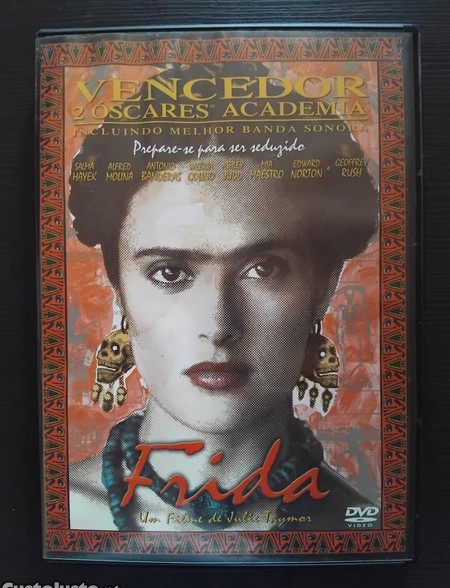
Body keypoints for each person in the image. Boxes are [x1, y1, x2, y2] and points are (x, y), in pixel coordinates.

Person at [68, 62, 379, 532]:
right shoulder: (54, 514)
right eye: (169, 272)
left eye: (263, 269)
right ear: (119, 287)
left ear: (323, 286)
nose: (218, 325)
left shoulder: (361, 527)